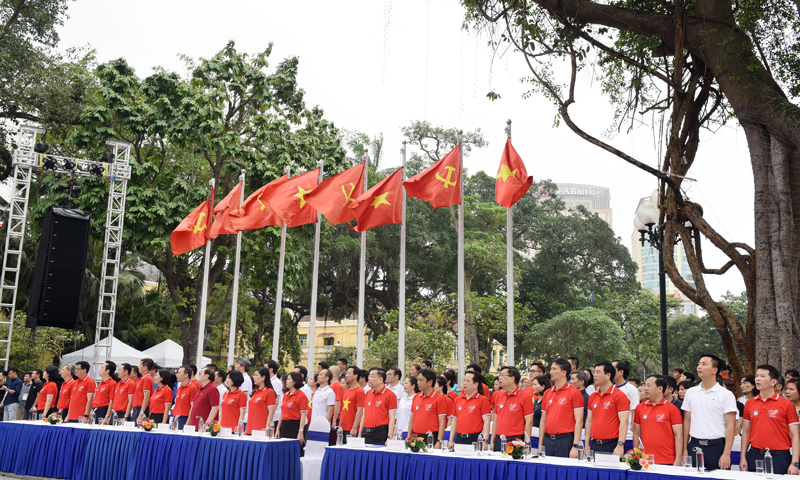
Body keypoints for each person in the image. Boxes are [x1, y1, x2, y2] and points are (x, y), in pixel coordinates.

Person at [740, 364, 800, 475]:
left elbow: (795, 435)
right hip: (754, 455)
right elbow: (746, 432)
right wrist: (743, 457)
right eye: (757, 376)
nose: (758, 379)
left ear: (773, 382)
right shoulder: (749, 403)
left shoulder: (787, 405)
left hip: (779, 457)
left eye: (762, 376)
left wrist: (794, 463)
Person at [682, 354, 737, 471]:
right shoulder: (691, 392)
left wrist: (726, 453)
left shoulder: (725, 394)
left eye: (703, 364)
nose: (699, 367)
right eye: (698, 364)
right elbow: (687, 421)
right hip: (694, 445)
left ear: (714, 370)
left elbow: (731, 425)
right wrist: (685, 448)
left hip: (717, 447)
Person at [633, 375, 683, 465]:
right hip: (645, 460)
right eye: (645, 385)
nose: (645, 388)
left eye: (649, 385)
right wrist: (636, 455)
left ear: (660, 389)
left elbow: (679, 435)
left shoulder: (672, 409)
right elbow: (636, 433)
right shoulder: (639, 408)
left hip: (667, 460)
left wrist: (678, 459)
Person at [540, 359, 584, 458]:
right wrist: (540, 445)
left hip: (565, 440)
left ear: (564, 372)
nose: (550, 372)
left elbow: (579, 421)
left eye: (554, 369)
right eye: (550, 369)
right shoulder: (547, 393)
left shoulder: (574, 393)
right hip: (547, 440)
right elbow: (543, 420)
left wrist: (575, 445)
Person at [585, 362, 630, 455]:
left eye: (598, 372)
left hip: (612, 445)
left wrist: (620, 444)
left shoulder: (619, 395)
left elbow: (624, 421)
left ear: (608, 375)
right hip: (594, 444)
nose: (594, 375)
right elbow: (589, 420)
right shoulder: (593, 396)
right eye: (594, 372)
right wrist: (586, 445)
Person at [448, 370, 490, 448]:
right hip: (459, 439)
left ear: (476, 384)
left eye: (468, 381)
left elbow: (486, 422)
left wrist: (485, 441)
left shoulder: (482, 400)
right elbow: (454, 421)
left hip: (475, 439)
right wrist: (451, 440)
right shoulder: (458, 399)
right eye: (464, 380)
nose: (465, 383)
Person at [407, 368, 446, 447]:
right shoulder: (416, 397)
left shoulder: (439, 398)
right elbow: (411, 418)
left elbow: (442, 421)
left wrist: (439, 441)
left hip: (430, 437)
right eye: (418, 380)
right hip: (416, 437)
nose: (418, 383)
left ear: (430, 382)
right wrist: (409, 437)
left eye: (421, 380)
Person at [359, 368, 397, 445]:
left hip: (380, 433)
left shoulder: (390, 395)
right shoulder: (368, 393)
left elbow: (392, 417)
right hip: (366, 432)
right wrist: (359, 434)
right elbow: (364, 414)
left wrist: (389, 437)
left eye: (372, 376)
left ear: (380, 379)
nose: (369, 379)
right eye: (369, 376)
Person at [277, 372, 308, 454]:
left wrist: (300, 431)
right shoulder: (286, 394)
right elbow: (282, 412)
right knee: (284, 451)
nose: (286, 381)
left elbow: (303, 415)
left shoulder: (301, 396)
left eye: (289, 379)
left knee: (294, 451)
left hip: (295, 426)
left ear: (295, 381)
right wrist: (278, 428)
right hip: (285, 425)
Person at [246, 367, 277, 435]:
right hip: (250, 429)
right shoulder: (254, 391)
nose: (254, 377)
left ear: (263, 377)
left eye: (256, 375)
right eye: (254, 375)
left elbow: (271, 412)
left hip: (261, 430)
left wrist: (267, 428)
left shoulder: (269, 392)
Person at [340, 366, 366, 443]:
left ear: (355, 376)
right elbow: (342, 410)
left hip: (352, 429)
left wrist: (354, 427)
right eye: (346, 373)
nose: (346, 375)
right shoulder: (347, 390)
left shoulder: (360, 391)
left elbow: (360, 411)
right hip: (343, 428)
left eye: (348, 373)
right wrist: (340, 426)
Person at [612, 360, 639, 424]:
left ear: (621, 372)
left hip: (627, 432)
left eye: (612, 369)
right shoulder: (610, 389)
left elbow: (634, 413)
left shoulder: (632, 389)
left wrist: (633, 433)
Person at [311, 369, 336, 439]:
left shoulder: (329, 392)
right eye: (318, 374)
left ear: (327, 378)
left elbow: (330, 411)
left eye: (321, 375)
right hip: (313, 425)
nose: (318, 376)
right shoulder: (317, 391)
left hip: (322, 427)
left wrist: (324, 426)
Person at [395, 376, 418, 440]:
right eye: (403, 383)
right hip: (399, 433)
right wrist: (394, 434)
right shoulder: (402, 399)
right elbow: (398, 418)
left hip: (408, 432)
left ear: (413, 386)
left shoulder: (416, 399)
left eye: (406, 383)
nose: (404, 385)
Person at [266, 360, 283, 429]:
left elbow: (276, 400)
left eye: (265, 367)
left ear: (271, 369)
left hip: (274, 417)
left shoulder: (276, 382)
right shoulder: (269, 381)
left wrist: (271, 414)